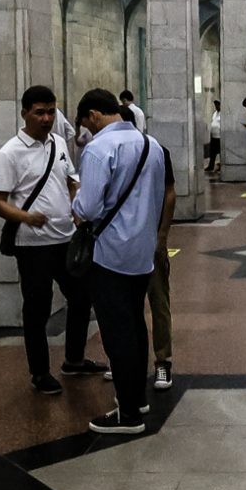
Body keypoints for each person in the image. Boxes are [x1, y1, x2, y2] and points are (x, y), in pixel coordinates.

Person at [0, 85, 105, 394]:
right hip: (33, 246)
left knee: (81, 297)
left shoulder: (58, 143)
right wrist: (26, 217)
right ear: (25, 113)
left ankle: (74, 359)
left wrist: (75, 204)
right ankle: (40, 372)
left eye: (51, 111)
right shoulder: (9, 153)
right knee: (37, 309)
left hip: (66, 239)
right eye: (40, 112)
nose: (47, 118)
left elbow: (70, 178)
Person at [73, 89, 174, 434]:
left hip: (110, 252)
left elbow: (86, 208)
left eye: (87, 123)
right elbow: (160, 198)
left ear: (94, 115)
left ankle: (128, 413)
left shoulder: (100, 149)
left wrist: (76, 210)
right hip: (142, 252)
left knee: (117, 332)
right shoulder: (153, 146)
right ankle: (137, 397)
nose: (88, 130)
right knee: (135, 325)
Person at [205, 100, 222, 175]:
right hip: (213, 136)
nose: (216, 107)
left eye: (218, 105)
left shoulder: (223, 113)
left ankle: (221, 166)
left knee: (221, 152)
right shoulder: (215, 113)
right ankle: (211, 166)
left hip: (220, 136)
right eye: (215, 105)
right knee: (212, 152)